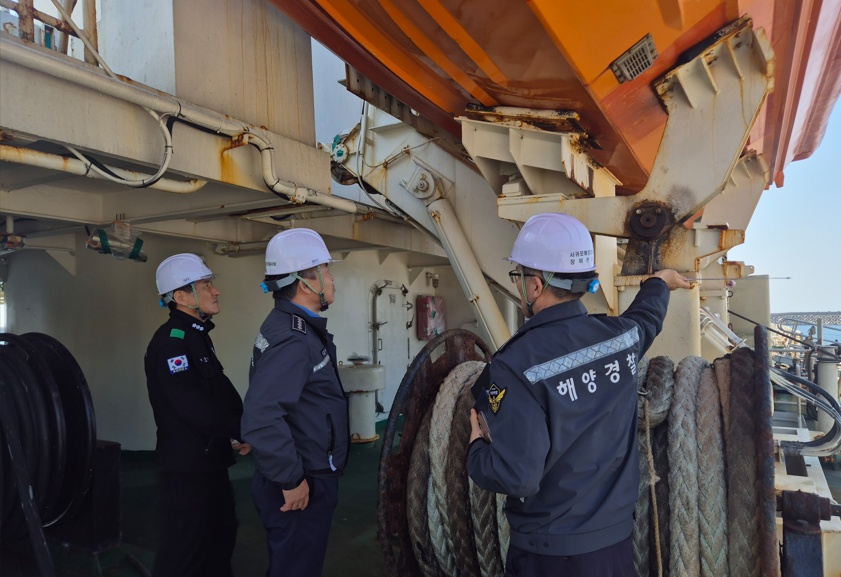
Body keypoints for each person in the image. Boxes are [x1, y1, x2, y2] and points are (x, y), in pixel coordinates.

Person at [466, 213, 690, 577]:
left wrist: (476, 450)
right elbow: (648, 316)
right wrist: (658, 283)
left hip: (550, 558)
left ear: (534, 285)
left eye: (518, 276)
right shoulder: (621, 338)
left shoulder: (514, 366)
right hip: (616, 550)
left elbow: (518, 477)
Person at [241, 228, 350, 577]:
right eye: (326, 270)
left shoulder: (287, 325)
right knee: (296, 568)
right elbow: (261, 416)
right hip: (302, 478)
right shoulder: (294, 339)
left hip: (301, 467)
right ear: (305, 283)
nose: (331, 278)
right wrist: (291, 481)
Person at [144, 253, 250, 577]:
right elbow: (192, 406)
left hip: (209, 459)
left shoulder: (196, 336)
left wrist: (240, 429)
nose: (215, 291)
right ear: (181, 296)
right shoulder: (171, 342)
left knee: (220, 536)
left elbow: (217, 391)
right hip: (188, 467)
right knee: (185, 549)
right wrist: (242, 429)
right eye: (205, 285)